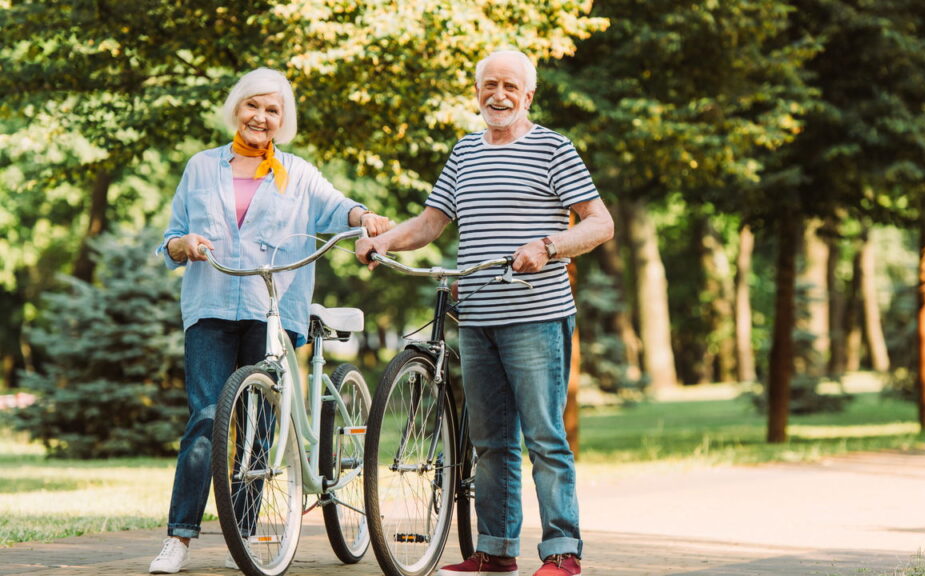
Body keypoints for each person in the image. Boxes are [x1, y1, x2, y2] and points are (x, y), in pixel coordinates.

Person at [355, 49, 614, 576]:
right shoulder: (464, 152)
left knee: (543, 438)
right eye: (488, 85)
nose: (498, 95)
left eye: (509, 87)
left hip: (536, 316)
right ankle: (495, 550)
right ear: (476, 92)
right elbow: (430, 224)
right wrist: (380, 244)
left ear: (528, 96)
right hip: (476, 318)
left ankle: (563, 552)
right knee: (491, 443)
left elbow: (600, 223)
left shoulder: (553, 149)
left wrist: (548, 245)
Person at [150, 67, 391, 574]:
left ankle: (244, 533)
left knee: (261, 425)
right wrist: (183, 244)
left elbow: (336, 206)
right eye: (253, 106)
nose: (261, 117)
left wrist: (364, 216)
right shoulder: (200, 168)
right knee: (206, 419)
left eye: (273, 110)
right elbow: (169, 238)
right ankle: (180, 537)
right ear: (237, 108)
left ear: (284, 121)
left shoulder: (297, 174)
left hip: (270, 312)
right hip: (210, 308)